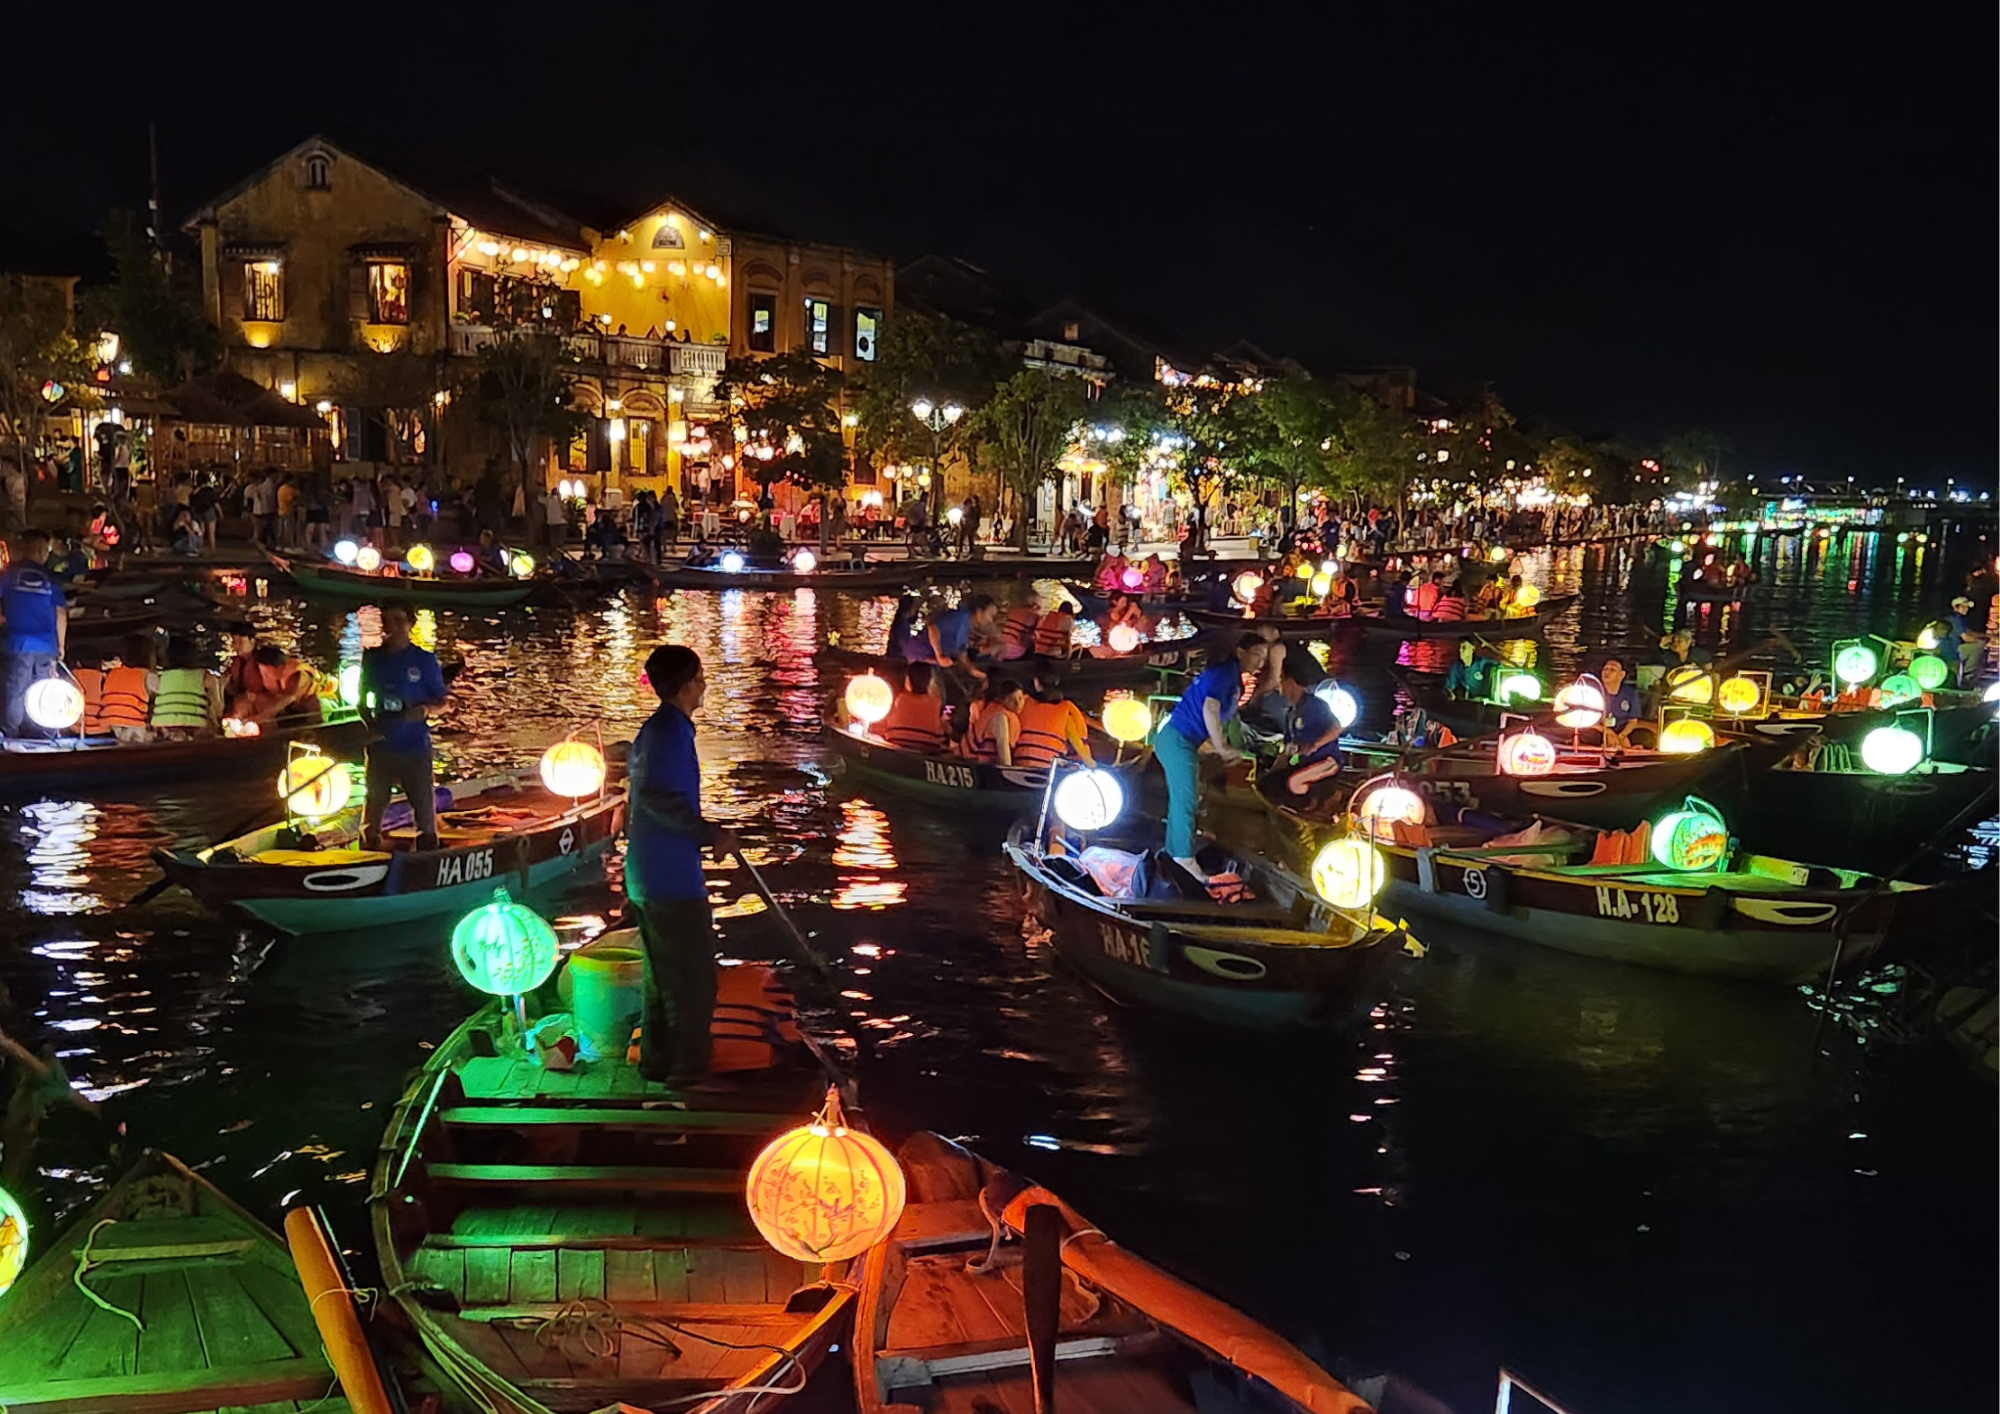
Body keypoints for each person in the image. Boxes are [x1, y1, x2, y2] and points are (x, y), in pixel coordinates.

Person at [625, 644, 738, 1085]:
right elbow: (657, 798)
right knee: (692, 980)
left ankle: (657, 1061)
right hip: (668, 878)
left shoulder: (658, 732)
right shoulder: (669, 733)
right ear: (685, 685)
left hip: (652, 873)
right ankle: (687, 1072)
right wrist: (709, 833)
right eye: (700, 677)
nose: (705, 684)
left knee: (662, 977)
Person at [1156, 634, 1268, 877]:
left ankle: (1175, 850)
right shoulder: (1226, 673)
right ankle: (1183, 858)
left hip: (1180, 740)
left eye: (1264, 657)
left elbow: (1215, 716)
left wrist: (1223, 746)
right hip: (1176, 739)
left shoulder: (1230, 677)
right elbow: (1210, 707)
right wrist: (1221, 747)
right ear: (1240, 652)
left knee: (1185, 797)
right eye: (1257, 654)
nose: (1261, 661)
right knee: (1185, 799)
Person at [358, 603, 449, 852]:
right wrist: (370, 725)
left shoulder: (424, 660)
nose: (393, 627)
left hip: (414, 746)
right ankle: (368, 848)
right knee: (374, 805)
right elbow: (362, 701)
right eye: (388, 621)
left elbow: (443, 702)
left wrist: (426, 710)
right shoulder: (373, 659)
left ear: (410, 624)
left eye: (399, 621)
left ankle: (428, 851)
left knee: (423, 807)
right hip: (381, 746)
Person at [0, 530, 68, 736]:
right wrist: (61, 645)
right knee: (45, 689)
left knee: (15, 690)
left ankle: (10, 735)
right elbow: (61, 613)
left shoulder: (9, 575)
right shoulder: (50, 579)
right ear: (40, 550)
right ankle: (45, 734)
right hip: (46, 645)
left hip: (16, 643)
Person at [1272, 652, 1343, 796]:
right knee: (1273, 783)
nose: (1279, 685)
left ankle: (1315, 803)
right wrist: (1273, 771)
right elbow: (1287, 749)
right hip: (1307, 764)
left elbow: (1337, 727)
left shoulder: (1315, 705)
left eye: (1281, 679)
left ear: (1290, 682)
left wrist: (1315, 745)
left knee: (1294, 783)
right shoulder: (1291, 714)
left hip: (1327, 761)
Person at [1014, 674, 1096, 768]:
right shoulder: (1065, 709)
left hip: (1020, 765)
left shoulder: (1023, 702)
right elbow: (1077, 742)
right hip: (1050, 768)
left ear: (1036, 682)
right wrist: (1091, 763)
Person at [230, 643, 322, 726]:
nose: (264, 677)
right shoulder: (259, 673)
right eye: (262, 673)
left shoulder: (296, 676)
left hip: (305, 708)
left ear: (279, 668)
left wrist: (257, 719)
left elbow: (284, 702)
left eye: (266, 673)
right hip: (279, 704)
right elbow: (252, 695)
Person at [151, 635, 222, 738]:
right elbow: (218, 708)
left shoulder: (161, 677)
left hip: (163, 727)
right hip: (195, 727)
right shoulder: (205, 676)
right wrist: (222, 686)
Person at [876, 661, 948, 752]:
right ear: (931, 682)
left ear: (908, 682)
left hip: (896, 740)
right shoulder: (936, 702)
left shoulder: (900, 699)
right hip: (928, 746)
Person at [964, 675, 1026, 766]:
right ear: (1002, 700)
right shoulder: (1000, 718)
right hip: (985, 767)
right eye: (1011, 700)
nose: (1018, 704)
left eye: (1020, 698)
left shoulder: (994, 711)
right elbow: (1003, 755)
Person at [1599, 656, 1642, 747]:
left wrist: (1620, 736)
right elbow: (1589, 722)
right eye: (1605, 669)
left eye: (1612, 670)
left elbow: (1633, 721)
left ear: (1621, 675)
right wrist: (1609, 733)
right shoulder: (1593, 691)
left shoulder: (1630, 693)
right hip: (1600, 730)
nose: (1607, 672)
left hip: (1621, 730)